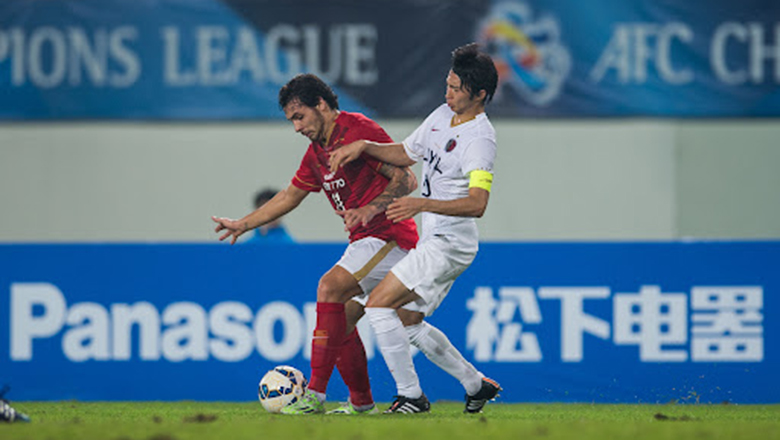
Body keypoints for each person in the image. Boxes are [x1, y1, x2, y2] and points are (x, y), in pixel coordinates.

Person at [212, 73, 489, 415]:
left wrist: (370, 209)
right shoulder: (317, 153)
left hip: (390, 235)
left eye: (300, 116)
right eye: (291, 121)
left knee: (329, 287)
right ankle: (363, 403)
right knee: (343, 322)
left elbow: (406, 178)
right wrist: (243, 223)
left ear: (322, 105)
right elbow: (289, 196)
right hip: (366, 241)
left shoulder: (358, 130)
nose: (297, 127)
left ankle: (314, 394)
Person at [328, 43, 501, 414]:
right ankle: (475, 385)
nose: (448, 93)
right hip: (434, 240)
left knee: (378, 305)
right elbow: (406, 153)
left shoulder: (480, 140)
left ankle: (411, 396)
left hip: (450, 243)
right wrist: (365, 146)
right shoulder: (441, 115)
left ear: (480, 94)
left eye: (456, 89)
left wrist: (421, 202)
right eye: (448, 84)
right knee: (406, 321)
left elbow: (477, 204)